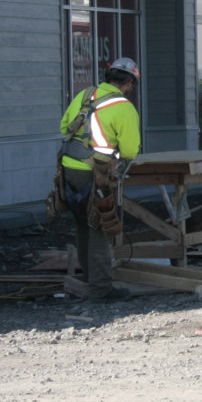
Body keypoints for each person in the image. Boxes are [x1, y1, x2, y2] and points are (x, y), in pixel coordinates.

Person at [58, 57, 141, 302]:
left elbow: (65, 127)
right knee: (101, 226)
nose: (131, 90)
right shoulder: (124, 108)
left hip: (68, 169)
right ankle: (101, 288)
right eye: (132, 85)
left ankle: (88, 278)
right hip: (96, 174)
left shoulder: (85, 95)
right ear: (127, 82)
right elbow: (130, 151)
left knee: (83, 223)